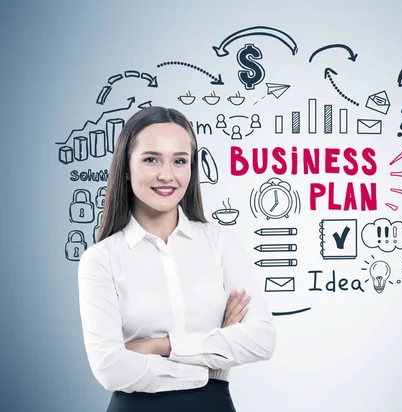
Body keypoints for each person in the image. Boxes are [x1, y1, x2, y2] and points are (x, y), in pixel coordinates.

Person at [77, 106, 277, 412]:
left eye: (179, 161)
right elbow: (110, 367)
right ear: (126, 167)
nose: (166, 174)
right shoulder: (101, 259)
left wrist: (162, 346)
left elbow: (261, 340)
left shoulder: (221, 243)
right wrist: (211, 359)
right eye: (151, 159)